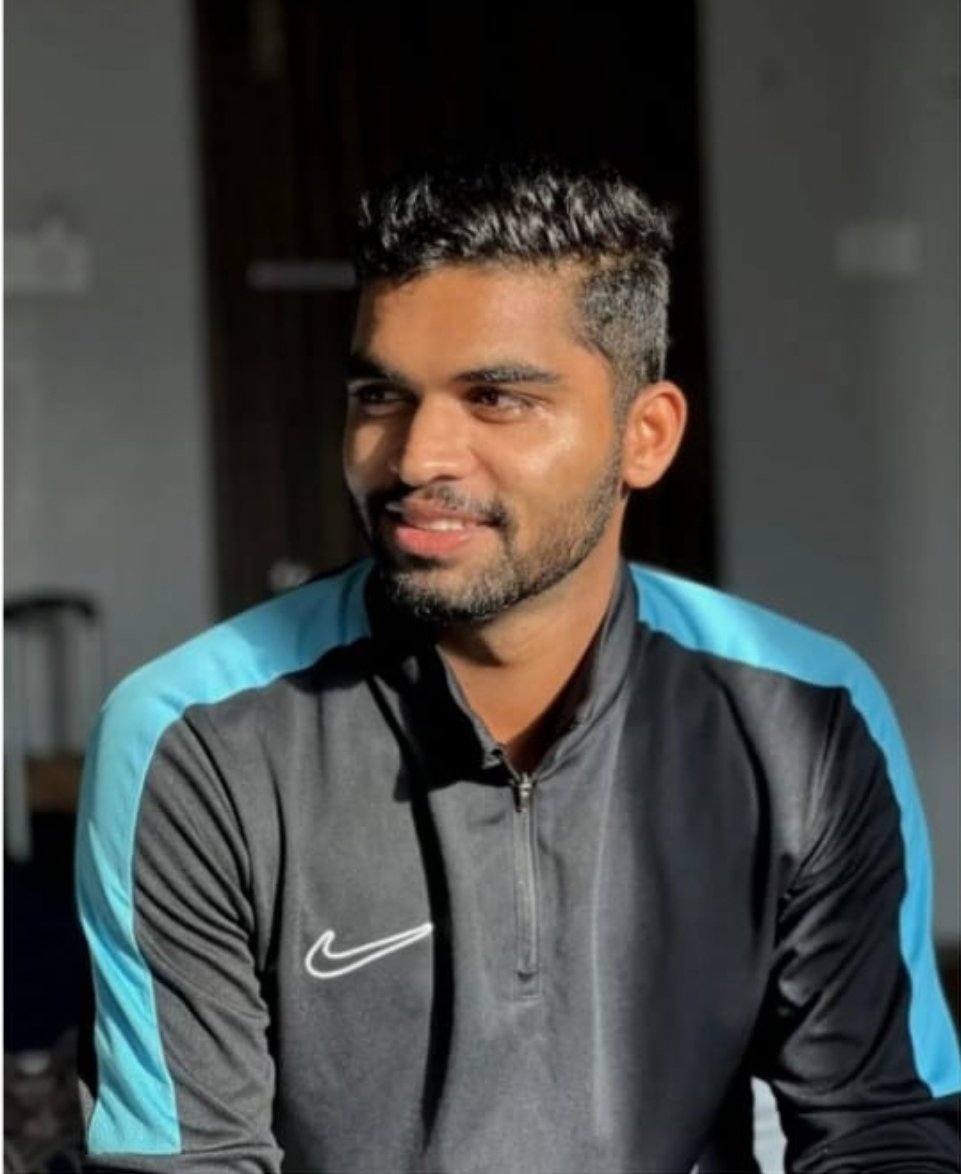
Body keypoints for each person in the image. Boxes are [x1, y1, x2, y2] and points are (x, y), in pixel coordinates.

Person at [75, 153, 961, 1173]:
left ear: (645, 436)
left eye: (495, 397)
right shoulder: (194, 742)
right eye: (380, 394)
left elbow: (876, 1131)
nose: (417, 458)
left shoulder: (804, 718)